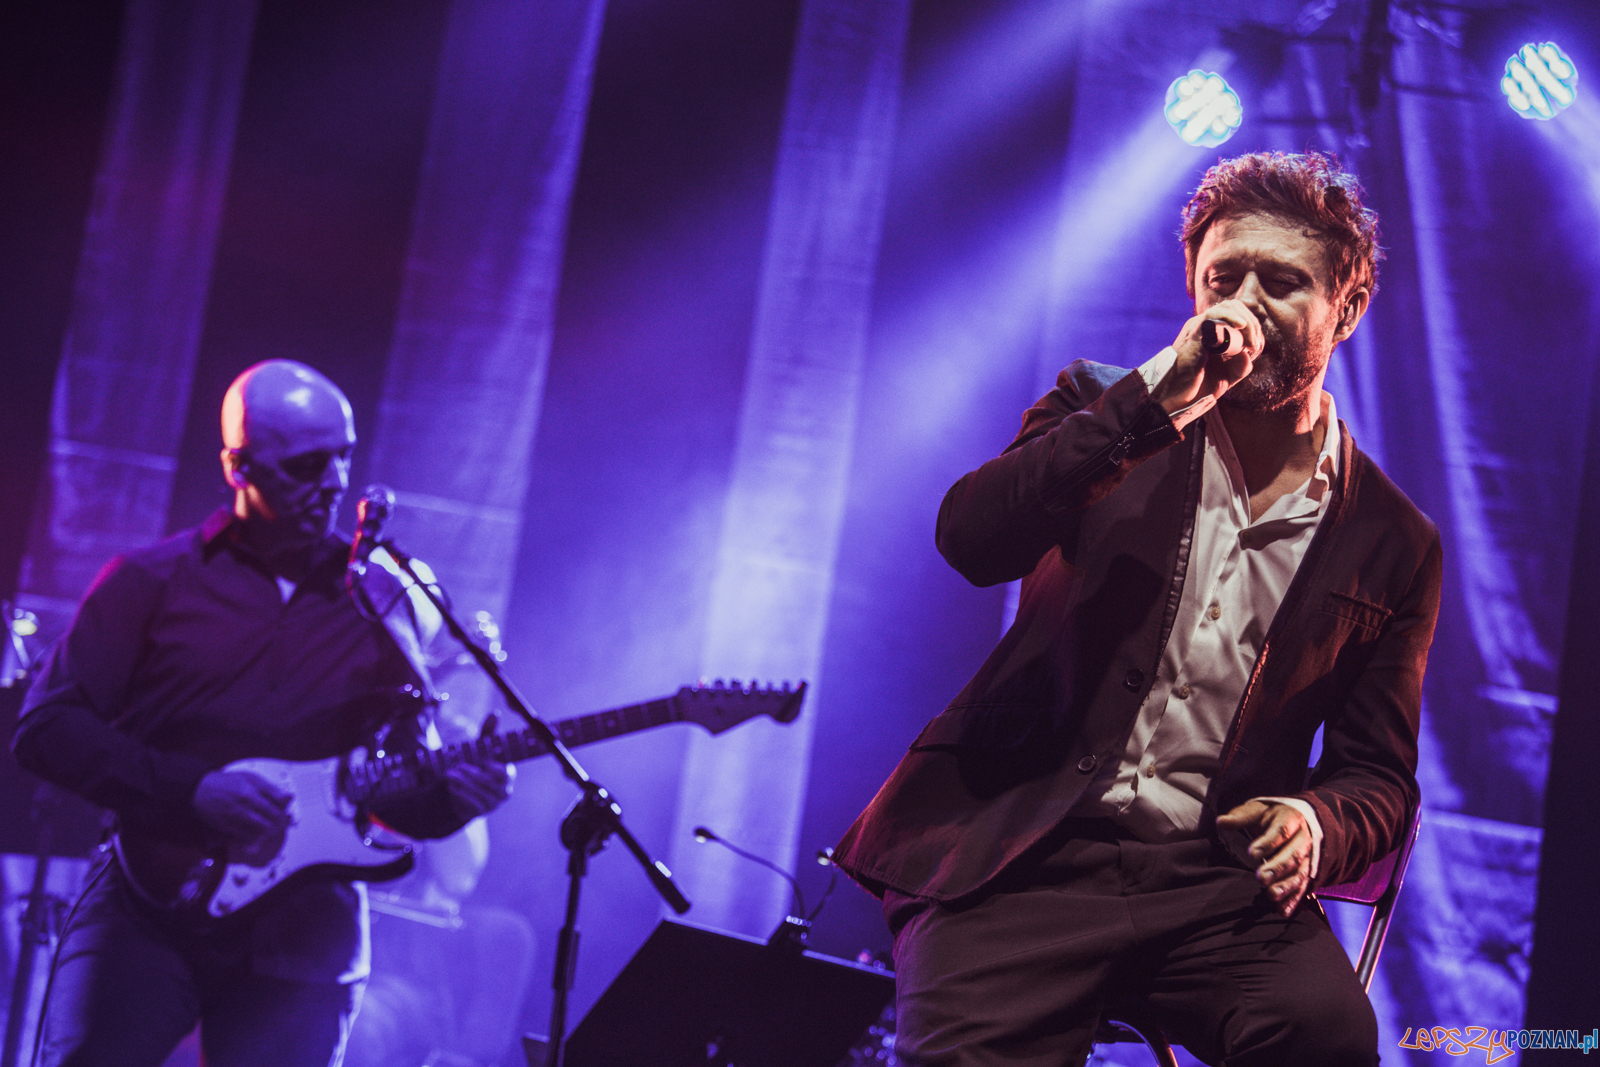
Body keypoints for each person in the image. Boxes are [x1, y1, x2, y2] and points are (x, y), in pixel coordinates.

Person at [833, 151, 1442, 1066]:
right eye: (1222, 277)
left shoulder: (1393, 537)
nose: (1243, 302)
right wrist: (1147, 408)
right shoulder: (1101, 405)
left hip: (1211, 888)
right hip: (1023, 851)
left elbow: (1380, 777)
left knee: (1329, 1038)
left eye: (1281, 282)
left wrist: (1315, 824)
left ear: (1345, 310)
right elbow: (971, 539)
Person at [11, 360, 513, 1067]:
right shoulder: (150, 581)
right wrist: (191, 789)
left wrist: (455, 799)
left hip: (306, 941)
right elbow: (45, 728)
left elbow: (403, 796)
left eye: (343, 456)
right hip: (148, 906)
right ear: (238, 465)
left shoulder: (384, 601)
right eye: (308, 464)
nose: (335, 481)